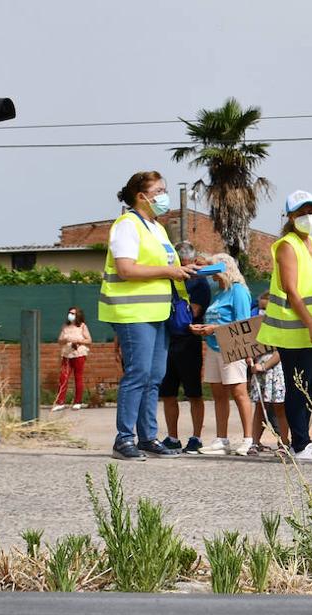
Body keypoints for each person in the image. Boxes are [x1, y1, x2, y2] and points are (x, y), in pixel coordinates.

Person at [99, 171, 193, 461]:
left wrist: (189, 270)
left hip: (157, 311)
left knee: (154, 376)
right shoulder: (127, 225)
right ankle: (124, 438)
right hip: (132, 312)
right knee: (138, 374)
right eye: (160, 190)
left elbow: (168, 267)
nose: (164, 196)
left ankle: (148, 437)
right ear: (142, 196)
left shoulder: (157, 228)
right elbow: (126, 269)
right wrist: (170, 271)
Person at [256, 190, 312, 465]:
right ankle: (300, 443)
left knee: (310, 387)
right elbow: (291, 290)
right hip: (293, 328)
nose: (308, 217)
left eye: (311, 211)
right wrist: (311, 325)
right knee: (297, 386)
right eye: (301, 213)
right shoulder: (287, 245)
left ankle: (304, 441)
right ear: (290, 217)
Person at [188, 253, 255, 456]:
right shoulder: (219, 292)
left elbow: (243, 324)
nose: (211, 274)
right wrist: (204, 328)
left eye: (213, 269)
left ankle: (248, 439)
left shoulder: (238, 291)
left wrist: (214, 329)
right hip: (213, 348)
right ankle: (221, 439)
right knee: (218, 394)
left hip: (232, 347)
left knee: (239, 393)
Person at [158, 242, 209, 454]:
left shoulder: (199, 282)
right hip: (167, 340)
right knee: (168, 392)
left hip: (188, 341)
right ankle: (172, 437)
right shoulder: (166, 279)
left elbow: (194, 312)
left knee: (193, 393)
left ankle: (196, 437)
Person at [249, 293, 289, 451]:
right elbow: (249, 345)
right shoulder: (257, 326)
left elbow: (280, 352)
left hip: (274, 369)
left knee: (279, 407)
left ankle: (284, 442)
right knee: (260, 406)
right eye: (260, 310)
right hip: (259, 367)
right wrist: (249, 358)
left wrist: (265, 366)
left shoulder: (281, 325)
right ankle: (254, 441)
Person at [52, 305, 92, 411]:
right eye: (70, 313)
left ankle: (77, 401)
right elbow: (60, 340)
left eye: (73, 313)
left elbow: (89, 340)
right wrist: (65, 340)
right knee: (63, 377)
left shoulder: (82, 326)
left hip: (78, 353)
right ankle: (60, 402)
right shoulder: (65, 326)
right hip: (66, 354)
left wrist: (77, 341)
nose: (70, 315)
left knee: (78, 377)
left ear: (78, 315)